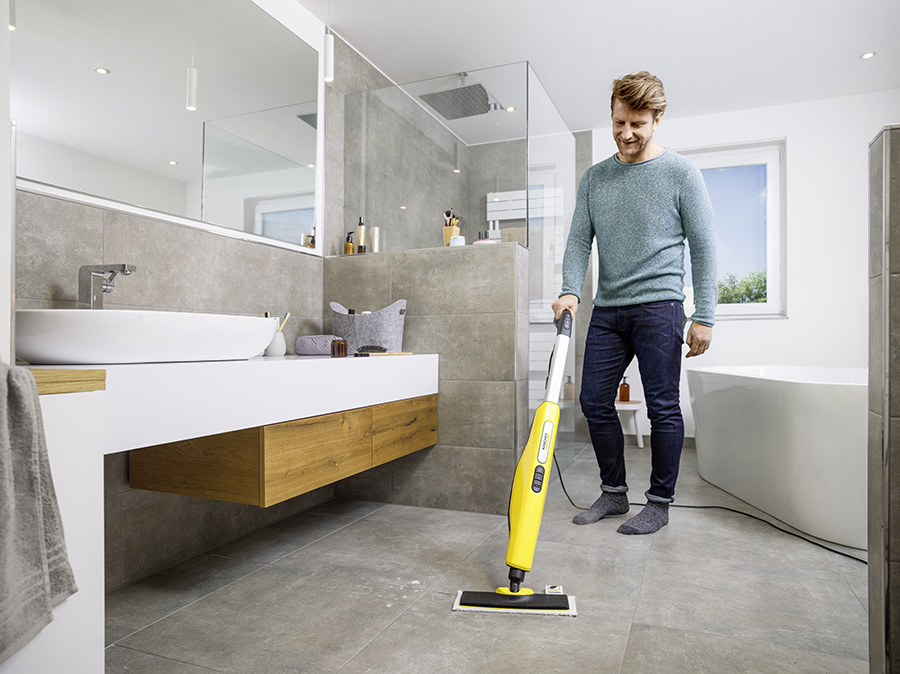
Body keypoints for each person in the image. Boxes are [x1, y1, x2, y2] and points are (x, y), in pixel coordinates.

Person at [552, 70, 717, 535]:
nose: (626, 133)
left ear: (657, 120)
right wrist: (570, 289)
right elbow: (578, 241)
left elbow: (704, 247)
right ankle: (613, 494)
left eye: (637, 124)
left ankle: (659, 502)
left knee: (662, 406)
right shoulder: (595, 179)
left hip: (661, 307)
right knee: (593, 400)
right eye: (619, 122)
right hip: (608, 309)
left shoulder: (682, 173)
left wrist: (704, 315)